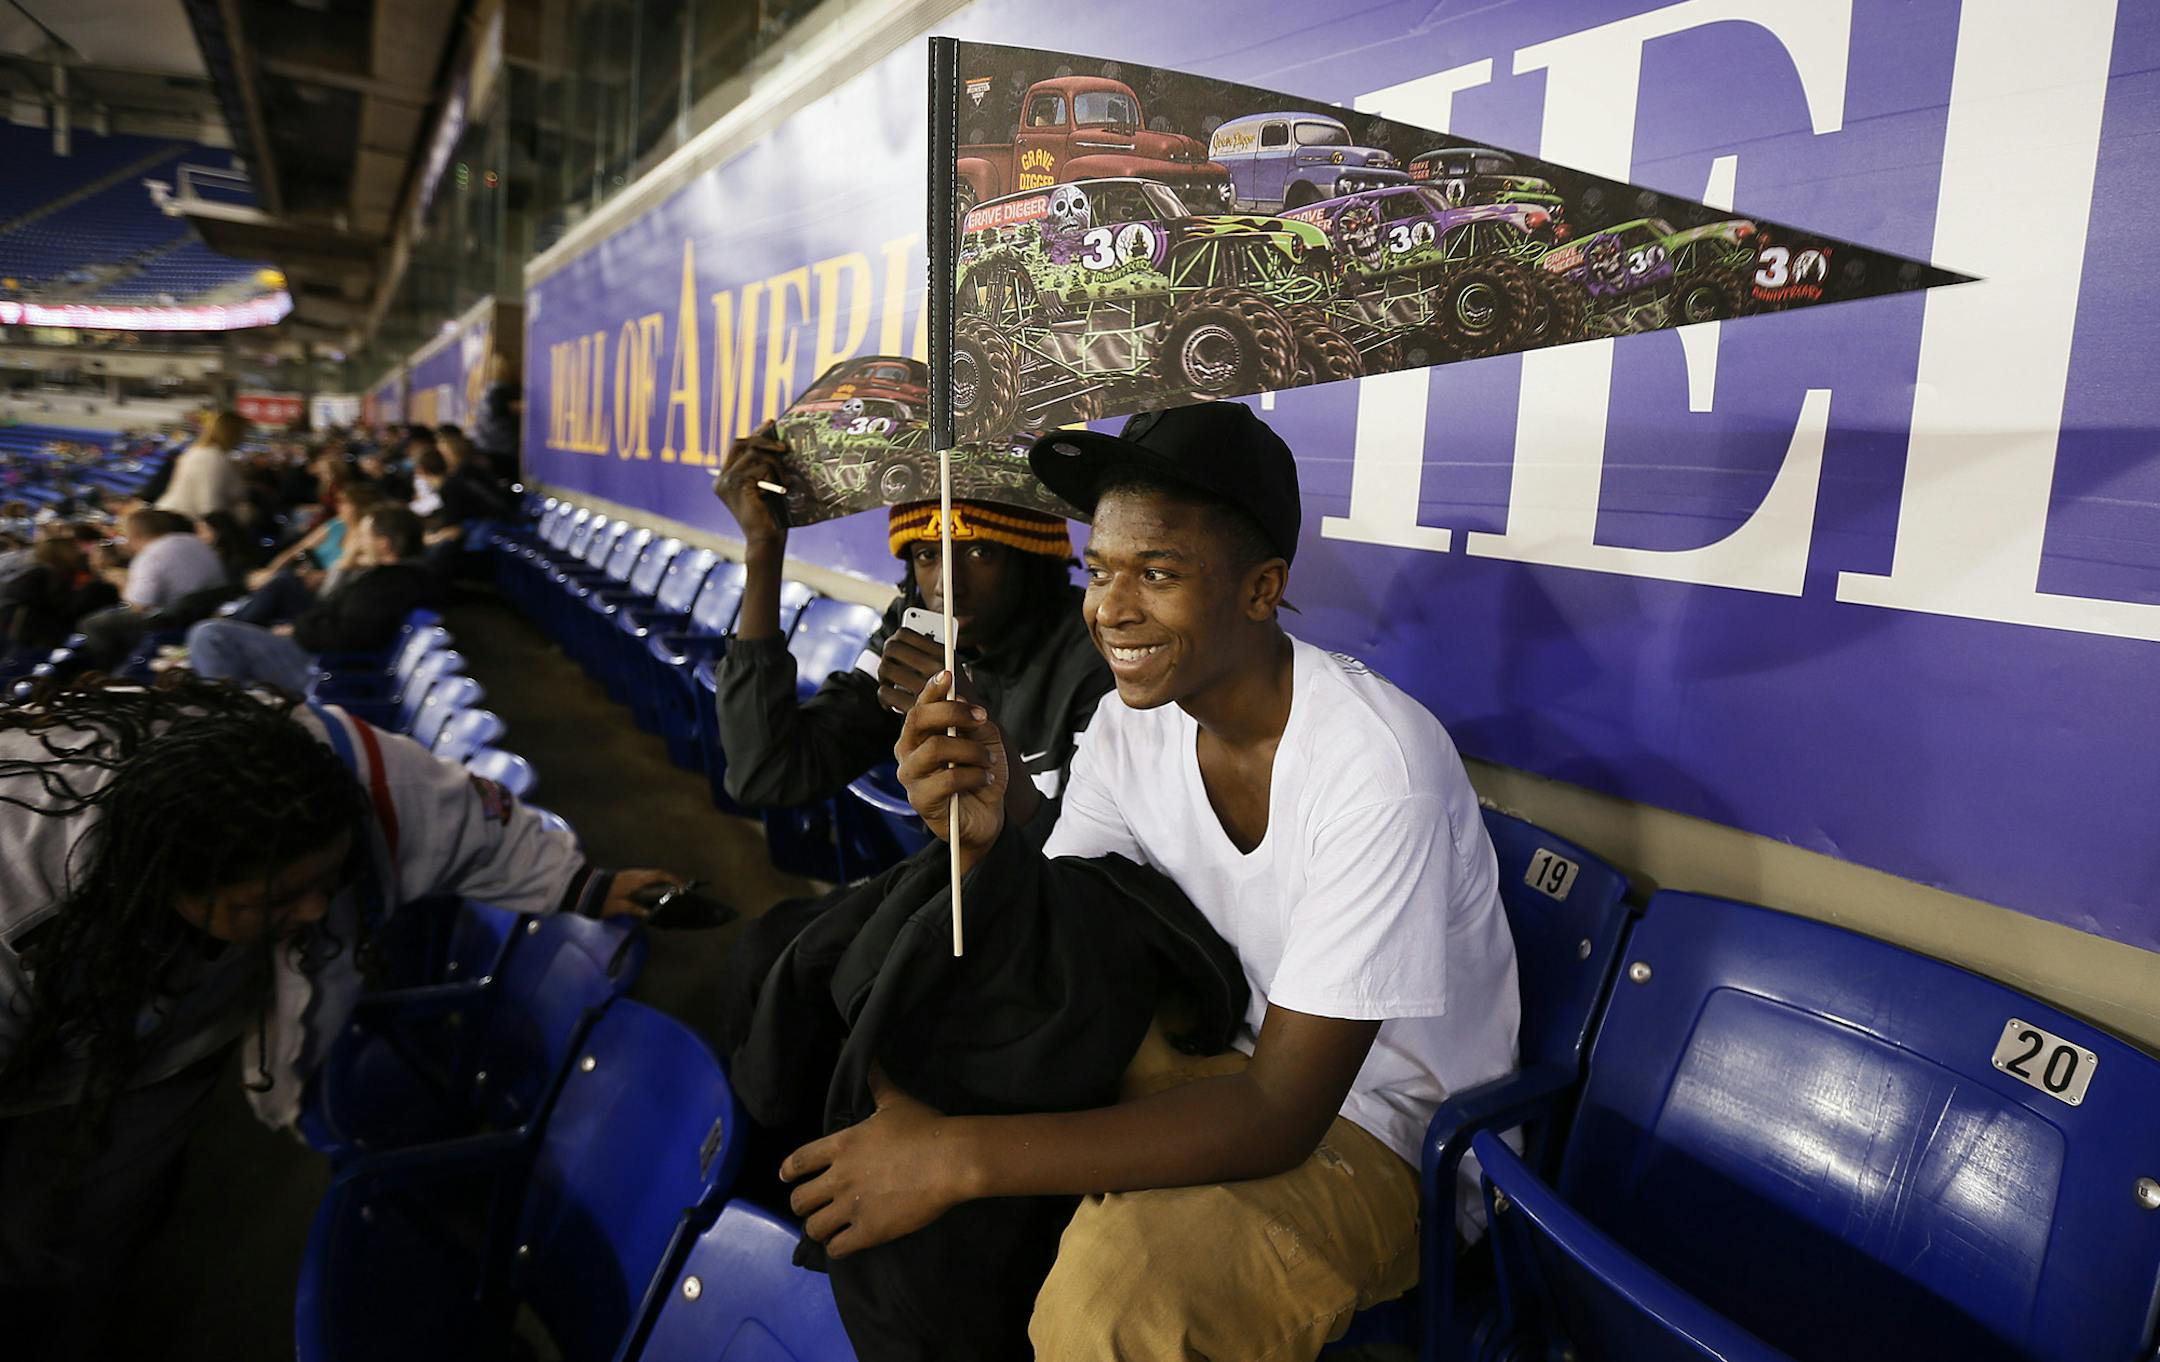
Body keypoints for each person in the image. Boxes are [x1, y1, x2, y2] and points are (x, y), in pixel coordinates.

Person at [780, 403, 1522, 1360]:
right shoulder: (1137, 718)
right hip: (1200, 1043)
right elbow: (1065, 936)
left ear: (1262, 591)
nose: (1111, 609)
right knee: (909, 1044)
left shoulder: (1379, 768)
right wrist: (982, 837)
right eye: (1101, 570)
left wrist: (957, 1159)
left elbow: (1276, 1116)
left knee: (1111, 1309)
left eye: (1158, 574)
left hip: (1373, 1136)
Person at [0, 674, 681, 1361]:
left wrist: (588, 885)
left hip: (161, 1046)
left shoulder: (322, 763)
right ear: (166, 881)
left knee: (79, 1236)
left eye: (328, 878)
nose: (318, 912)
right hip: (35, 1036)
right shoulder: (20, 892)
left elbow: (456, 816)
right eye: (281, 897)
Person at [710, 422, 1109, 827]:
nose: (946, 586)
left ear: (1032, 559)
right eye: (925, 555)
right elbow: (771, 774)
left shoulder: (1097, 651)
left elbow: (1086, 859)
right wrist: (763, 549)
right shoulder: (916, 633)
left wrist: (970, 721)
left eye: (979, 551)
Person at [186, 507, 447, 693]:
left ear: (384, 544)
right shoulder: (402, 577)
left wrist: (298, 629)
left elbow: (352, 635)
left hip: (325, 669)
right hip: (323, 654)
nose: (358, 542)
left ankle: (228, 717)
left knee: (210, 635)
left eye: (364, 536)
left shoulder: (388, 584)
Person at [73, 509, 232, 671]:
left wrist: (121, 582)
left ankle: (112, 673)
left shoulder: (149, 556)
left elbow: (138, 606)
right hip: (208, 609)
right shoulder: (193, 540)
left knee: (92, 624)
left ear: (134, 534)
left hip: (175, 620)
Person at [155, 410, 248, 522]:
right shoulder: (212, 458)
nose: (244, 437)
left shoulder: (199, 452)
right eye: (243, 432)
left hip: (177, 517)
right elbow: (209, 502)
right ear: (232, 433)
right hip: (183, 521)